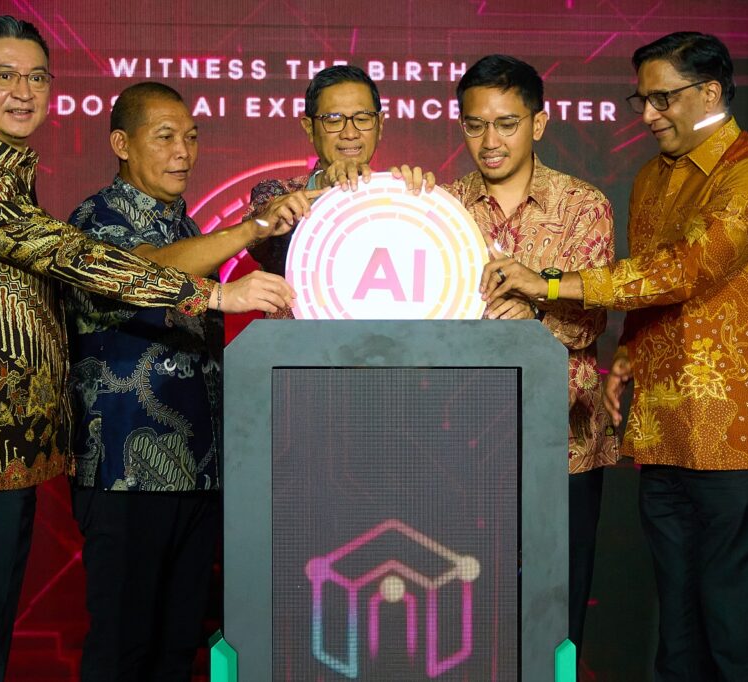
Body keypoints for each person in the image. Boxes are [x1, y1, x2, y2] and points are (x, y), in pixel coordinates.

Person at [0, 17, 293, 681]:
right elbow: (77, 258)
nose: (23, 90)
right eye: (4, 76)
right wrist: (213, 294)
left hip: (14, 440)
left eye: (36, 76)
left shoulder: (8, 174)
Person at [483, 32, 748, 681]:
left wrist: (549, 284)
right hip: (662, 432)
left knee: (735, 632)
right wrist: (626, 354)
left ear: (710, 93)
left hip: (738, 436)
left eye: (663, 99)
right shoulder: (653, 178)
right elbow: (650, 290)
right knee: (676, 634)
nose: (649, 115)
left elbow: (685, 270)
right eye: (642, 100)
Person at [63, 81, 313, 681]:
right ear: (121, 144)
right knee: (122, 650)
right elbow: (140, 271)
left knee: (178, 650)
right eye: (165, 137)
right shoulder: (95, 219)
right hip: (126, 472)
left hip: (199, 471)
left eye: (192, 137)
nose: (184, 151)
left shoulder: (185, 224)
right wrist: (249, 230)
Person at [445, 55, 618, 656]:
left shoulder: (583, 205)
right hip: (461, 449)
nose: (489, 141)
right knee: (464, 619)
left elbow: (594, 314)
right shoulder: (441, 210)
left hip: (562, 445)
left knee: (554, 618)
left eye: (506, 124)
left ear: (538, 124)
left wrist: (536, 317)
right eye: (475, 125)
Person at [245, 64, 433, 312]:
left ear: (380, 125)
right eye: (334, 120)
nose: (350, 133)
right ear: (309, 128)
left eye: (362, 119)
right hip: (299, 337)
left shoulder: (402, 199)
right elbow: (261, 244)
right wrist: (327, 186)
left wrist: (422, 204)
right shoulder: (278, 194)